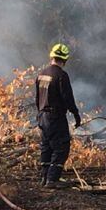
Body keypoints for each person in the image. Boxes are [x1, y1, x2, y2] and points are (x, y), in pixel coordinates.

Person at [35, 43, 82, 186]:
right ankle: (52, 179)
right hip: (55, 117)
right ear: (65, 60)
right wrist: (76, 113)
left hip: (42, 116)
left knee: (46, 145)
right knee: (61, 146)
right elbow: (67, 97)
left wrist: (40, 114)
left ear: (52, 56)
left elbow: (37, 98)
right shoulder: (61, 75)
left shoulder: (41, 74)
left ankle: (44, 178)